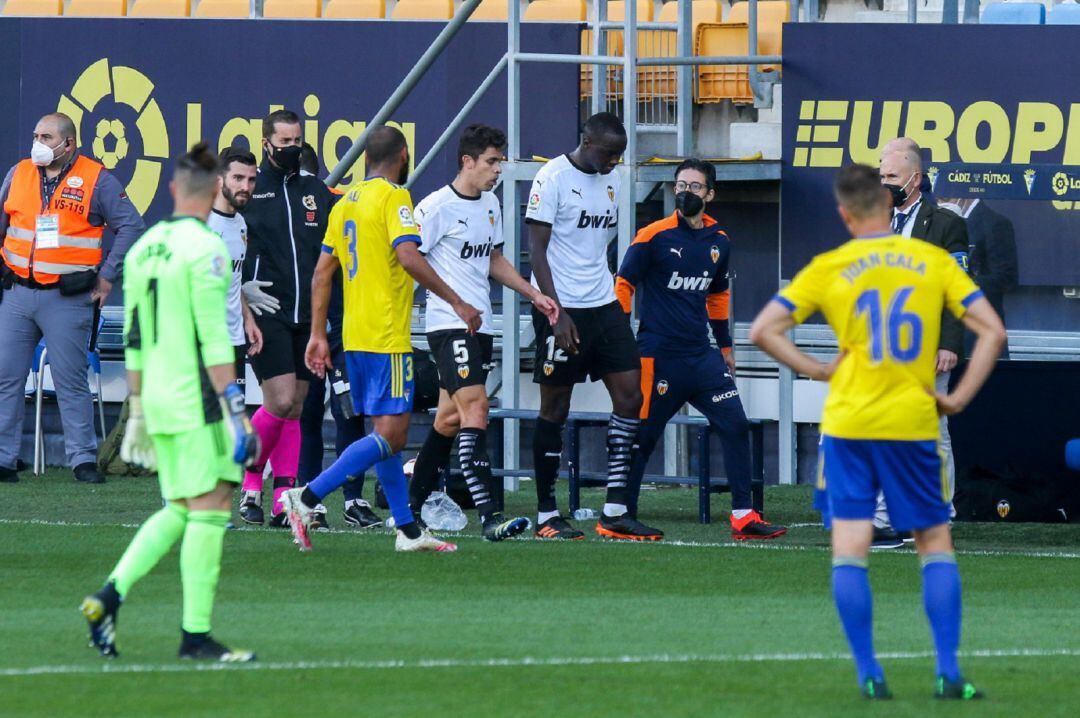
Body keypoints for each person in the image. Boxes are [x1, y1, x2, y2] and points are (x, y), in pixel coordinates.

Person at [750, 163, 1005, 700]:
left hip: (848, 426)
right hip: (911, 424)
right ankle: (948, 671)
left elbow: (763, 330)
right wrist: (956, 397)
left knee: (850, 548)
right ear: (890, 207)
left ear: (844, 214)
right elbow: (993, 330)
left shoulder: (830, 265)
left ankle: (869, 671)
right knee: (934, 544)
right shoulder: (930, 260)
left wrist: (818, 369)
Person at [81, 142, 260, 662]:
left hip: (155, 394)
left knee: (184, 506)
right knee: (213, 506)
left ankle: (108, 597)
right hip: (196, 395)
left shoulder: (144, 249)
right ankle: (195, 636)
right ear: (211, 196)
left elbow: (133, 336)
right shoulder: (207, 250)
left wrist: (135, 407)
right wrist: (235, 407)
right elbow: (212, 338)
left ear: (173, 190)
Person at [280, 125, 480, 552]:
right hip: (387, 336)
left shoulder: (344, 203)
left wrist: (319, 334)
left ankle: (407, 530)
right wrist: (458, 302)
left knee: (385, 433)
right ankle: (306, 496)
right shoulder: (395, 198)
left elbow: (321, 274)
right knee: (392, 435)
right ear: (403, 155)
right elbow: (409, 256)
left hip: (353, 335)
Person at [613, 159, 787, 541]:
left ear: (710, 194)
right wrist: (622, 336)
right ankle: (620, 515)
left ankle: (744, 517)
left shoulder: (719, 240)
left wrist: (725, 346)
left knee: (735, 424)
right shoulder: (652, 235)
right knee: (644, 435)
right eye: (680, 185)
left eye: (694, 186)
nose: (685, 192)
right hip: (657, 355)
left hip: (702, 356)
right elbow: (623, 284)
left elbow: (718, 295)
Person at [408, 124, 559, 541]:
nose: (498, 170)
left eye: (501, 161)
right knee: (477, 410)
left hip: (480, 327)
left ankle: (409, 509)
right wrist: (455, 302)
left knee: (449, 419)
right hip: (448, 325)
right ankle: (490, 516)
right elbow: (409, 258)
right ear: (467, 161)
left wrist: (535, 293)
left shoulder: (491, 203)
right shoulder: (436, 207)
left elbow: (493, 258)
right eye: (492, 162)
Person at [0, 112, 145, 484]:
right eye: (35, 135)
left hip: (67, 297)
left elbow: (131, 224)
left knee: (70, 380)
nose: (38, 144)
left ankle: (82, 458)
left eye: (46, 137)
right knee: (7, 377)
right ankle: (4, 457)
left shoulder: (97, 179)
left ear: (68, 144)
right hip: (17, 292)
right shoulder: (18, 174)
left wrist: (109, 275)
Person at [525, 112, 643, 540]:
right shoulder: (552, 177)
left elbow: (597, 246)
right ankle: (545, 514)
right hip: (561, 308)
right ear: (587, 142)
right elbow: (535, 250)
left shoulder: (612, 180)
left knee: (631, 396)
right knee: (555, 408)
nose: (615, 162)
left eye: (620, 156)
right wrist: (554, 310)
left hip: (604, 303)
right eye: (609, 154)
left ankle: (614, 509)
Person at [238, 110, 339, 528]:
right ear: (266, 144)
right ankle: (247, 482)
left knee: (295, 408)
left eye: (297, 141)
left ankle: (283, 497)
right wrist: (241, 289)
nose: (292, 149)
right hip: (266, 313)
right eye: (284, 143)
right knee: (278, 401)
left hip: (308, 315)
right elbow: (225, 242)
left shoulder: (315, 189)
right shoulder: (249, 189)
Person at [875, 139, 970, 548]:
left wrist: (949, 342)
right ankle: (884, 517)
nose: (884, 184)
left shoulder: (947, 224)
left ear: (915, 178)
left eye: (891, 177)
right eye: (880, 176)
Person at [295, 141, 376, 529]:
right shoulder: (286, 204)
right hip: (330, 326)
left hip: (325, 326)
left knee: (336, 413)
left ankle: (327, 497)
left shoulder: (337, 203)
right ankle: (324, 498)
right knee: (335, 414)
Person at [206, 147, 262, 412]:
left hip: (234, 341)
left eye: (251, 180)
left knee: (232, 425)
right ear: (219, 180)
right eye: (238, 178)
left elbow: (233, 279)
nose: (246, 187)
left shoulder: (240, 223)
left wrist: (248, 320)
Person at [936, 198, 1017, 358]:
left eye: (945, 198)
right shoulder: (934, 221)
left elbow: (1007, 278)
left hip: (977, 334)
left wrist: (965, 283)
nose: (939, 201)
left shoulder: (995, 223)